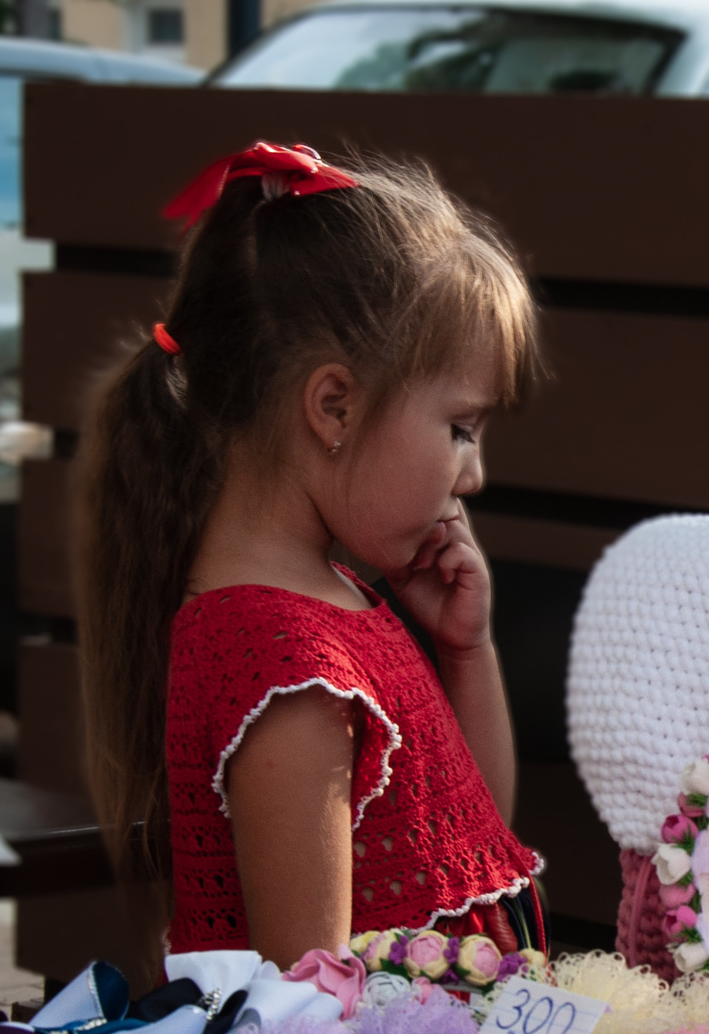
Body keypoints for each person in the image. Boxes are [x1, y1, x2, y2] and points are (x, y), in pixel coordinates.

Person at [74, 142, 545, 969]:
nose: (472, 475)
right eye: (460, 429)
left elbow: (472, 839)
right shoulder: (283, 661)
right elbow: (308, 990)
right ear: (334, 407)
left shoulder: (329, 600)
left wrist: (465, 651)